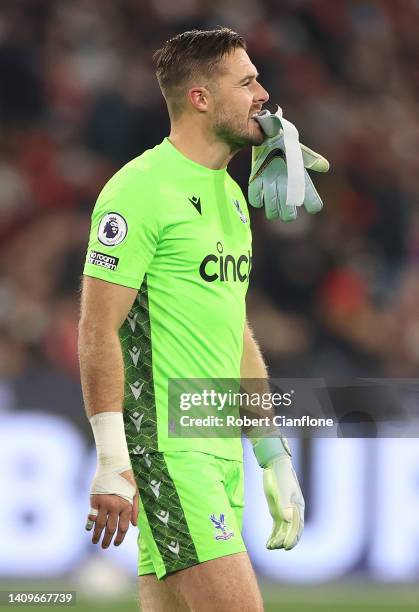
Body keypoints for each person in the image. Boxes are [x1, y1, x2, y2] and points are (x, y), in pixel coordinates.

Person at [78, 27, 304, 612]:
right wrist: (112, 461)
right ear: (201, 98)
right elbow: (98, 328)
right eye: (247, 81)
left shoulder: (232, 196)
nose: (264, 94)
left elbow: (234, 330)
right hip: (170, 450)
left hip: (218, 448)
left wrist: (271, 450)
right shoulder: (139, 190)